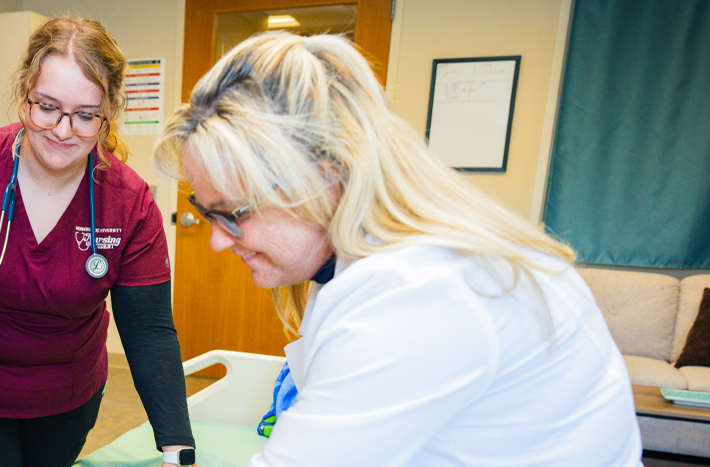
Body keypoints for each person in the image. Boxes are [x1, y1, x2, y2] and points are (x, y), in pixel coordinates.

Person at [153, 32, 643, 466]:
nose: (217, 240)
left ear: (328, 178)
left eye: (234, 213)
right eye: (206, 211)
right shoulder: (395, 257)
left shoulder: (422, 291)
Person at [0, 15, 197, 467]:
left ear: (109, 112)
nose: (63, 130)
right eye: (47, 107)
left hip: (67, 399)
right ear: (24, 93)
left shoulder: (127, 202)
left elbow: (148, 330)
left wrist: (177, 445)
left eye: (86, 115)